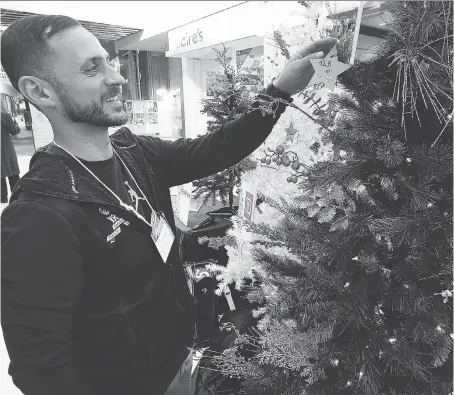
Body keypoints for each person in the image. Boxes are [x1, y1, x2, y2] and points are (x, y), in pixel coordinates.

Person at [0, 14, 336, 395]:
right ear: (40, 92)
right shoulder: (38, 216)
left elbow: (217, 149)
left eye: (109, 61)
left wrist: (278, 92)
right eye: (92, 69)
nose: (117, 77)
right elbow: (39, 367)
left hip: (178, 361)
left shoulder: (134, 152)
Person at [1, 111, 20, 203]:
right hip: (5, 149)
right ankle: (17, 196)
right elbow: (14, 131)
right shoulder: (4, 115)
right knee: (12, 171)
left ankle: (2, 198)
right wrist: (16, 125)